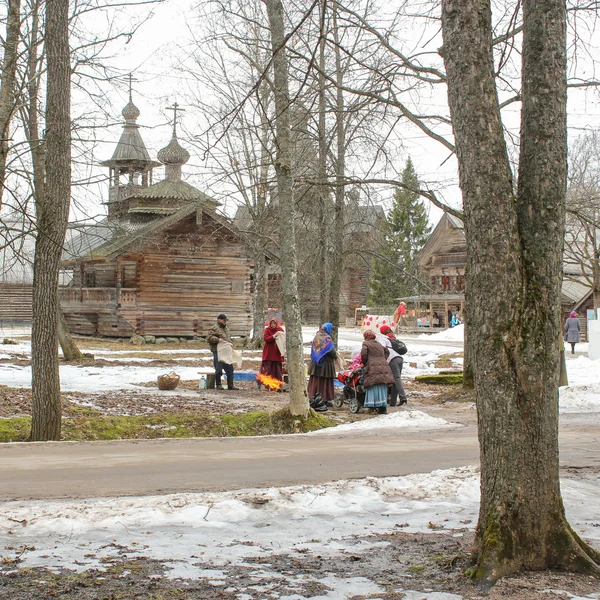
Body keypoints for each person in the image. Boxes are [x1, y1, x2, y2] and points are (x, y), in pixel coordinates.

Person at [361, 329, 394, 414]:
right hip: (383, 366)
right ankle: (382, 408)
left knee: (372, 385)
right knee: (382, 385)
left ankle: (372, 408)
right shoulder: (378, 344)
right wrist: (383, 359)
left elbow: (364, 354)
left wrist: (365, 363)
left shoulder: (366, 343)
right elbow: (387, 351)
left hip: (372, 366)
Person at [207, 313, 239, 390]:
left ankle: (230, 385)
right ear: (219, 320)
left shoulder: (226, 329)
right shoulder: (214, 328)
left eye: (225, 320)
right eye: (224, 320)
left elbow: (228, 339)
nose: (225, 322)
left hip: (226, 352)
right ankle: (218, 384)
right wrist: (218, 340)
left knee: (230, 368)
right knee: (218, 368)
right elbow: (209, 338)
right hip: (218, 351)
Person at [308, 322, 338, 404]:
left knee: (316, 381)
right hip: (325, 364)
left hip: (315, 363)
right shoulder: (326, 338)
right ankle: (324, 398)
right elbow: (331, 351)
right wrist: (336, 357)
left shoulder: (317, 336)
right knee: (324, 382)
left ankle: (313, 396)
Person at [379, 324, 408, 406]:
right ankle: (393, 402)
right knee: (395, 380)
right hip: (399, 358)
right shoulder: (392, 337)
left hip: (392, 359)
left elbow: (382, 348)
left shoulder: (385, 338)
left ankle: (403, 397)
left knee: (396, 379)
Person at [260, 318, 285, 383]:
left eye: (274, 323)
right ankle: (267, 383)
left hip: (277, 352)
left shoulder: (280, 329)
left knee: (277, 369)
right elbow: (266, 339)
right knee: (268, 369)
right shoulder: (267, 330)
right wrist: (274, 336)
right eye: (271, 323)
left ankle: (277, 383)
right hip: (269, 353)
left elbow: (284, 338)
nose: (273, 325)